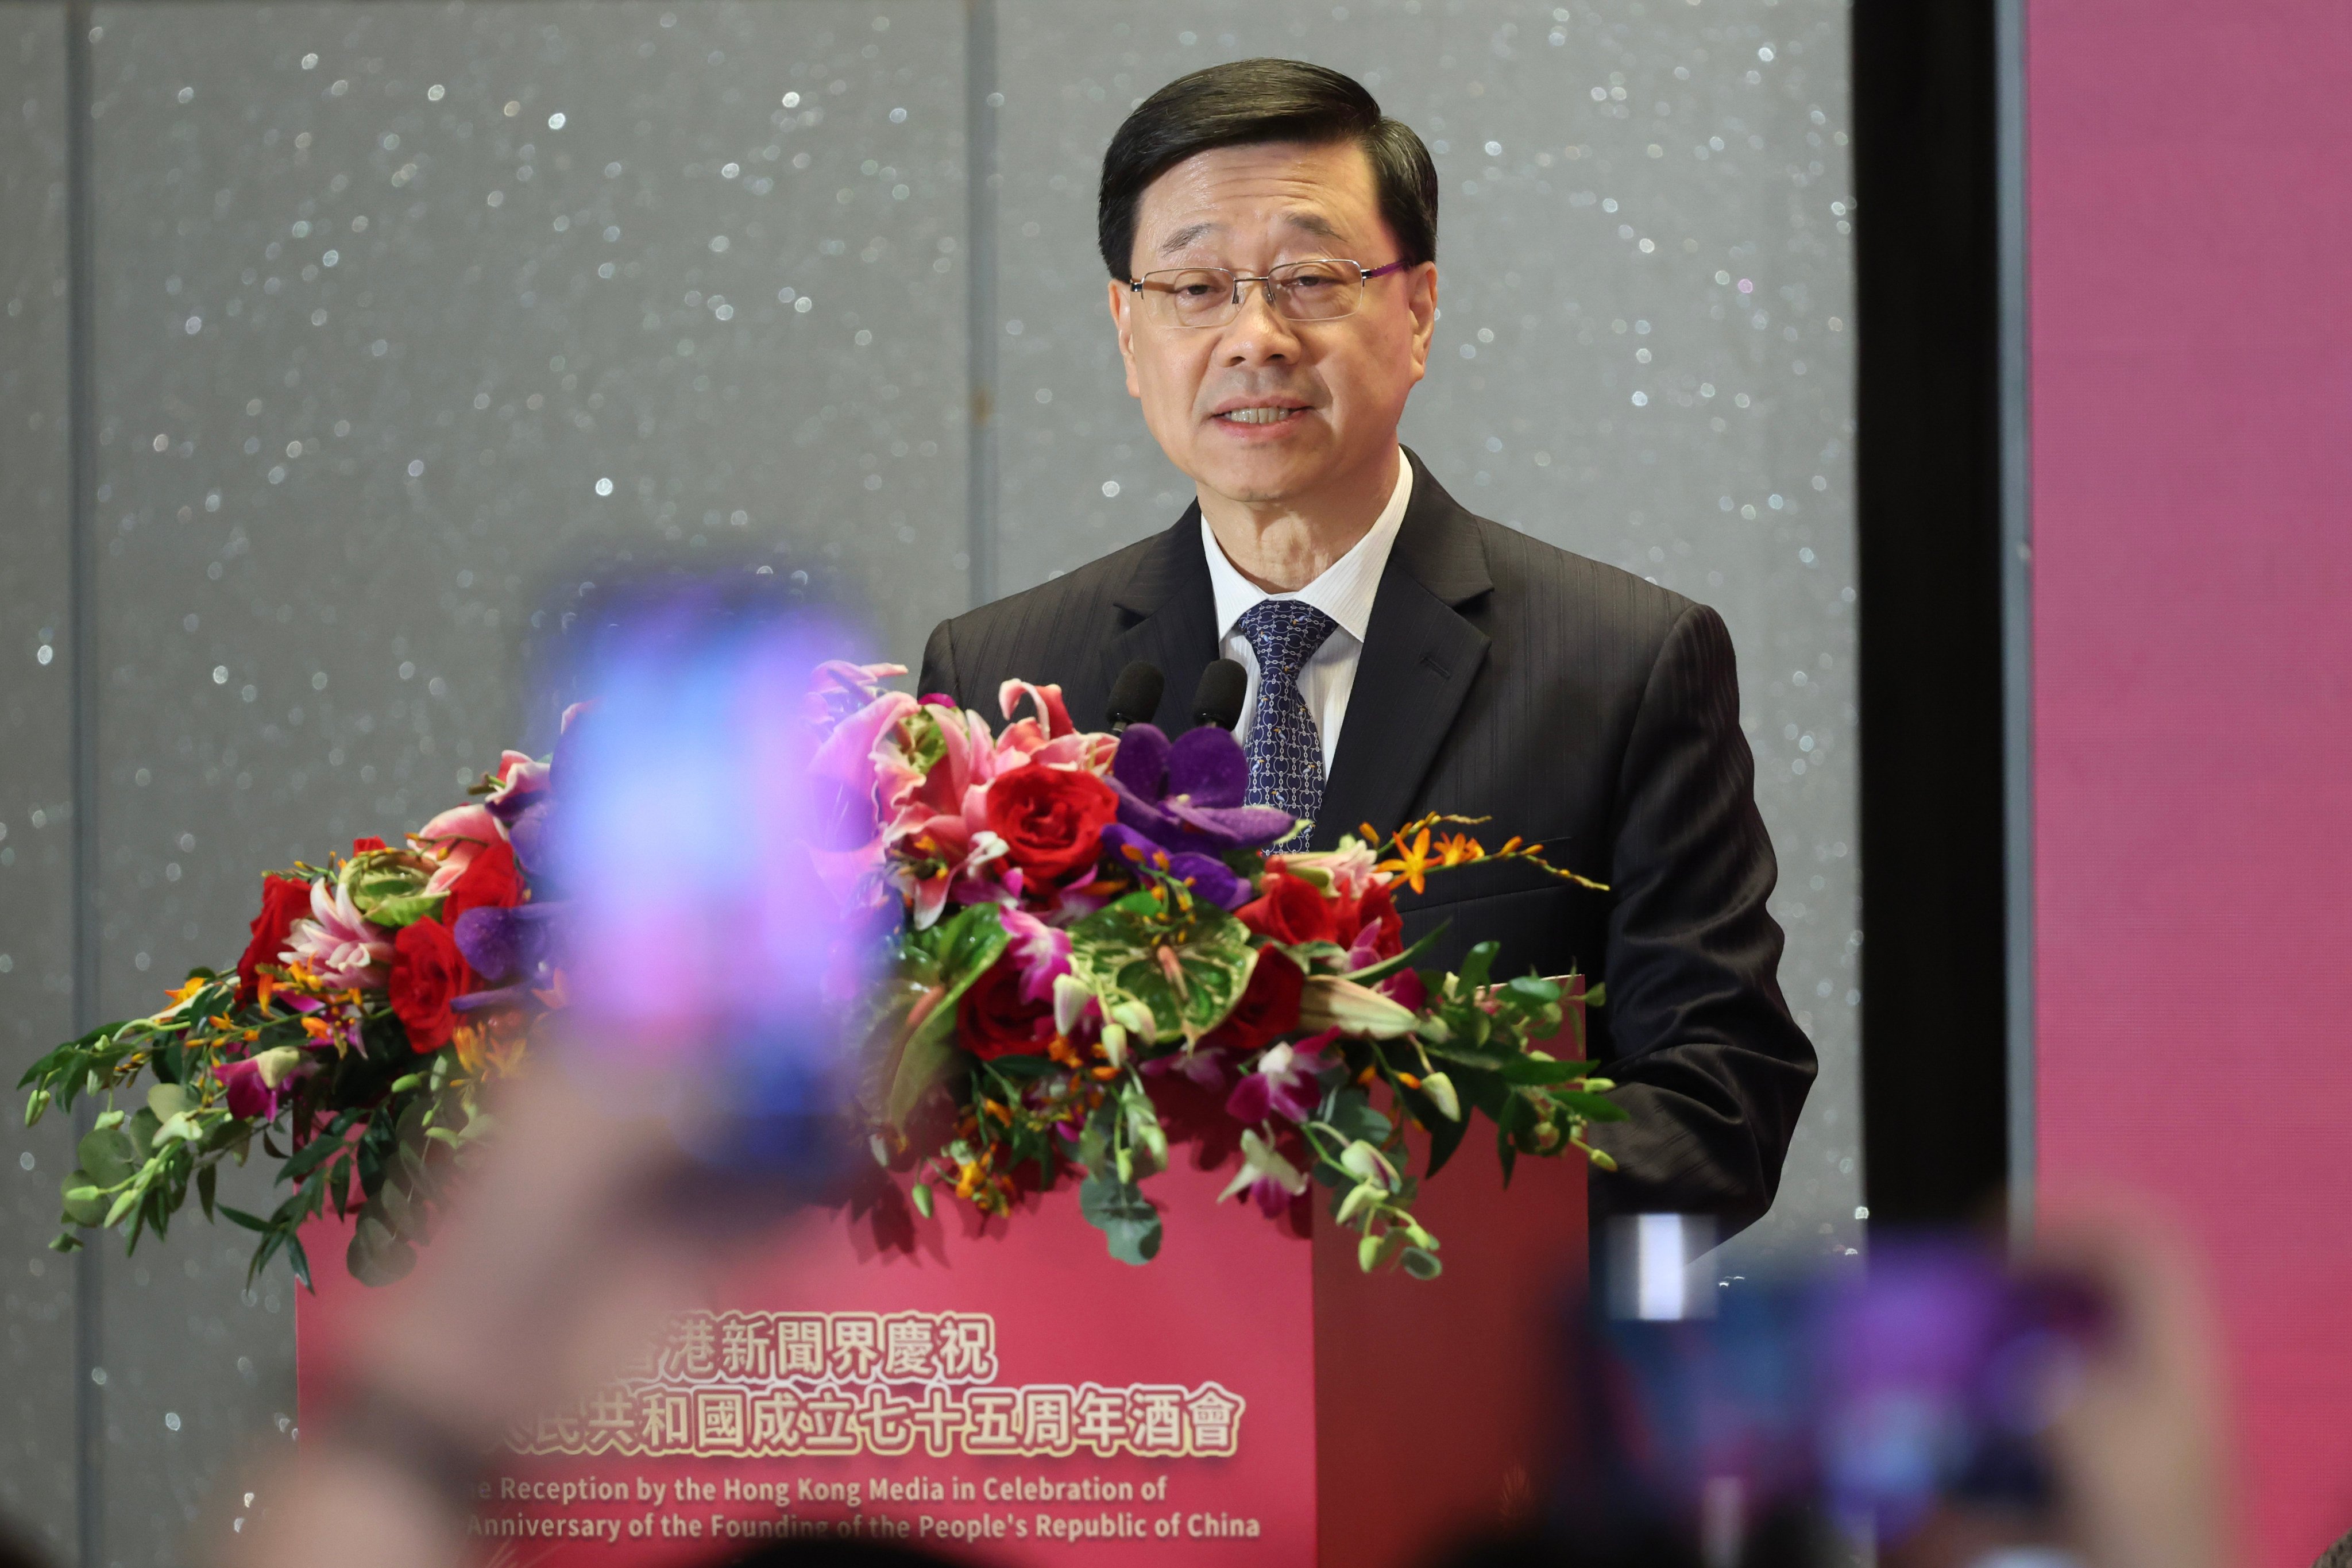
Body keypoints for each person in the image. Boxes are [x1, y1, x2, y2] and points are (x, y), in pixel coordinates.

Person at [917, 59, 1814, 1232]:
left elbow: (1715, 1115)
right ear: (1125, 330)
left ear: (1419, 307)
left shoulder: (1620, 665)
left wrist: (1357, 1178)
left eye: (1309, 278)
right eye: (1193, 286)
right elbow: (928, 1102)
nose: (1254, 336)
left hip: (1466, 1392)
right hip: (1132, 1395)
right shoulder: (998, 681)